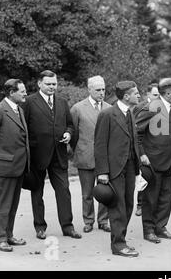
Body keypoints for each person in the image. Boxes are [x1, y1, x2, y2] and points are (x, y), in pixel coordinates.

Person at [22, 70, 81, 240]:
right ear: (39, 83)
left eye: (54, 84)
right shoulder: (29, 102)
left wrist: (68, 134)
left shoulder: (62, 102)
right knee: (37, 192)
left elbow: (70, 125)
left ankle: (68, 227)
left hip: (59, 154)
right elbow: (23, 128)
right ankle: (40, 227)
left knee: (64, 190)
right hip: (37, 155)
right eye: (48, 84)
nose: (51, 87)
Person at [135, 78, 171, 244]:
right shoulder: (151, 108)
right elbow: (136, 133)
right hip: (153, 160)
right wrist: (142, 154)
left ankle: (161, 227)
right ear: (168, 93)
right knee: (151, 197)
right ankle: (149, 230)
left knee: (166, 196)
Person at [94, 81, 140, 257]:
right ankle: (118, 244)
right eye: (135, 93)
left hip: (129, 166)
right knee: (118, 206)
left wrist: (138, 161)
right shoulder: (107, 114)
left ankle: (121, 239)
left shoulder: (130, 113)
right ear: (126, 96)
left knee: (128, 204)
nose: (139, 96)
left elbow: (133, 139)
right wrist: (102, 172)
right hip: (114, 169)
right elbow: (99, 145)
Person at [0, 79, 29, 252]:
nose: (25, 93)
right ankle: (0, 239)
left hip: (18, 167)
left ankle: (8, 235)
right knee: (3, 206)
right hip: (3, 167)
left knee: (13, 205)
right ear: (11, 92)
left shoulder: (19, 110)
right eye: (22, 91)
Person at [70, 76, 112, 233]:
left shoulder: (109, 108)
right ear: (89, 90)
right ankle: (88, 220)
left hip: (105, 159)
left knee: (105, 191)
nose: (101, 93)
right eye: (98, 90)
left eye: (103, 90)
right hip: (85, 155)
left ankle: (103, 220)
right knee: (86, 193)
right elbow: (72, 133)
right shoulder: (78, 108)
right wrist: (80, 148)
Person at [134, 83, 159, 217]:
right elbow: (136, 128)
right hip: (142, 147)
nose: (157, 97)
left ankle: (151, 205)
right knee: (144, 176)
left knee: (152, 178)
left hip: (155, 150)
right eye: (155, 95)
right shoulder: (141, 107)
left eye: (159, 95)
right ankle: (140, 205)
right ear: (148, 94)